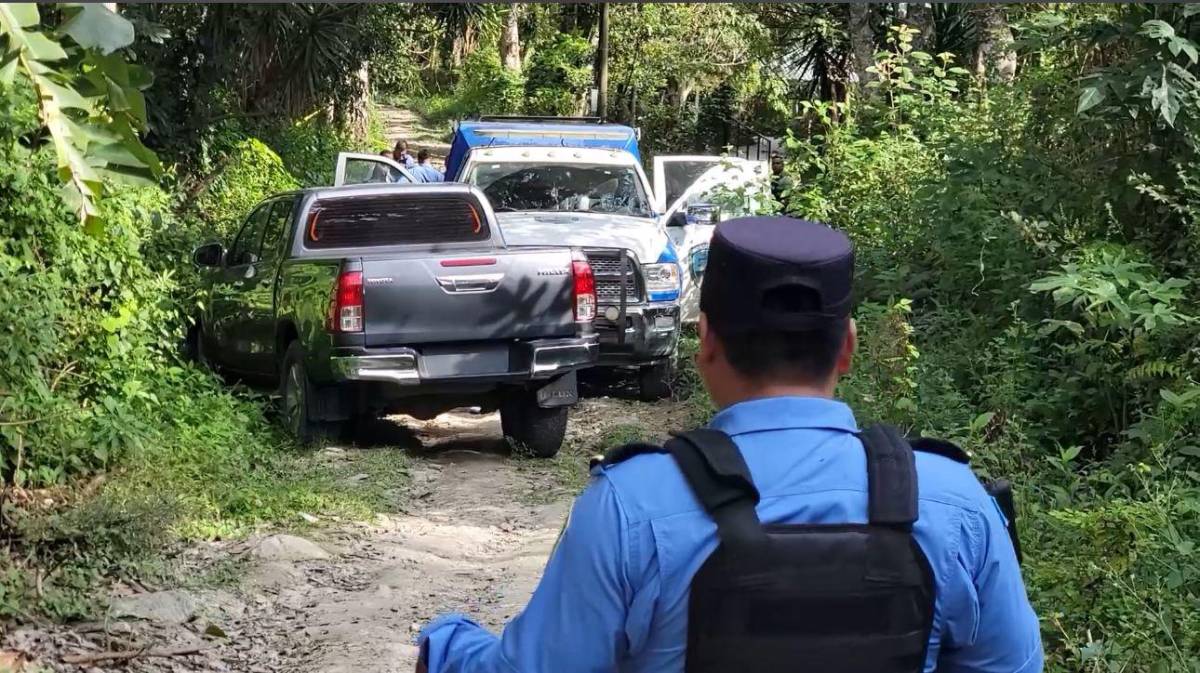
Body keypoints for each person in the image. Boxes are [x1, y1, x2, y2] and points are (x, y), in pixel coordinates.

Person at [416, 217, 1043, 673]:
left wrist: (444, 646)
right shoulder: (955, 503)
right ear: (848, 346)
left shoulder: (633, 506)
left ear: (706, 341)